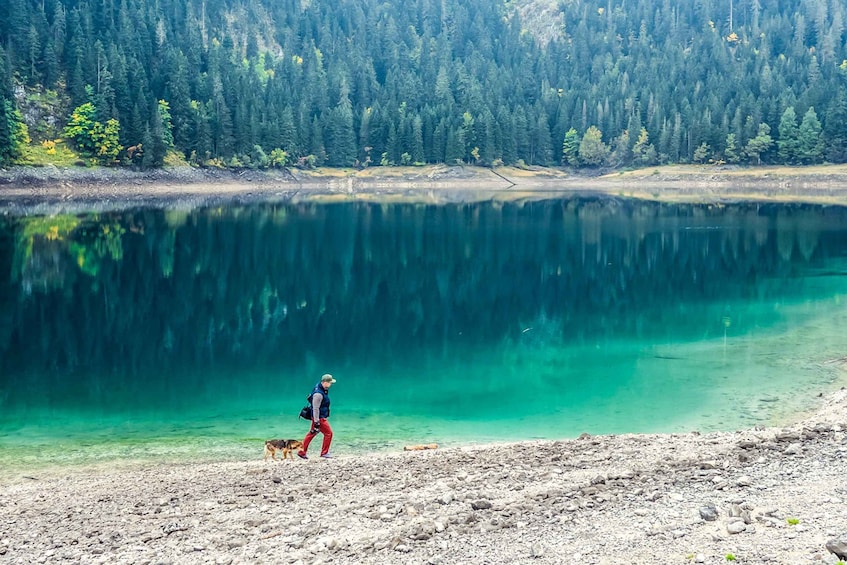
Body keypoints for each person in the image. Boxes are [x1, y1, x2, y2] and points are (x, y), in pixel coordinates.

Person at [297, 373, 336, 459]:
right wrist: (317, 421)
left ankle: (302, 451)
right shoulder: (318, 394)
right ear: (324, 382)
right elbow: (315, 408)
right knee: (329, 433)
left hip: (317, 416)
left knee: (312, 432)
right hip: (319, 417)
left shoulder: (320, 387)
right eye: (330, 382)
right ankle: (324, 452)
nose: (331, 384)